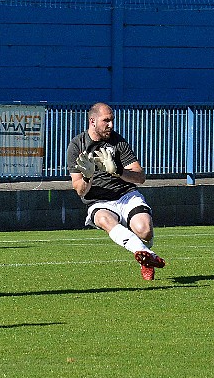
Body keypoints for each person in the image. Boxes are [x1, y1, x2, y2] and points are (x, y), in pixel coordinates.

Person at [67, 103, 165, 280]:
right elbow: (80, 190)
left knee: (144, 230)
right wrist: (88, 177)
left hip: (126, 195)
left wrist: (119, 171)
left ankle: (145, 257)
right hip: (98, 201)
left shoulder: (118, 142)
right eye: (106, 121)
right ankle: (146, 255)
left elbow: (140, 177)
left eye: (112, 120)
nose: (111, 125)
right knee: (103, 219)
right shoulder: (77, 145)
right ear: (92, 121)